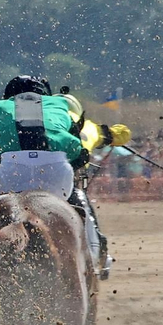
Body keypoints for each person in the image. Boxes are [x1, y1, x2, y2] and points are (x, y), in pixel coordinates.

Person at [0, 75, 108, 271]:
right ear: (46, 95)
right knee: (79, 203)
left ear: (8, 97)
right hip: (56, 173)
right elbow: (80, 156)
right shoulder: (60, 106)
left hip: (11, 172)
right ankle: (95, 259)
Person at [60, 90, 133, 278]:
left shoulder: (43, 121)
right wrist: (116, 135)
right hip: (67, 183)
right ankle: (98, 255)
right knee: (85, 212)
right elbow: (122, 134)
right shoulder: (89, 127)